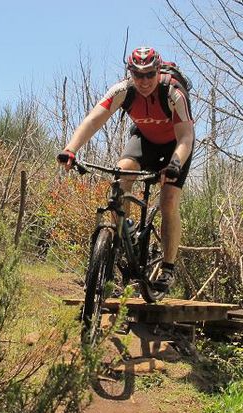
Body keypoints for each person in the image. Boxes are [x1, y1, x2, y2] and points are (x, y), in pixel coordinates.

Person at [57, 46, 194, 293]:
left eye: (149, 75)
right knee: (120, 176)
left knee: (169, 201)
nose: (143, 81)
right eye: (137, 75)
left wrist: (174, 165)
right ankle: (123, 235)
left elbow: (186, 135)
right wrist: (70, 149)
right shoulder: (123, 90)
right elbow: (93, 120)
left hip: (177, 146)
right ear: (130, 72)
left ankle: (168, 268)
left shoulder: (173, 91)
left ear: (157, 71)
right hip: (144, 140)